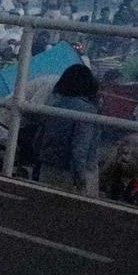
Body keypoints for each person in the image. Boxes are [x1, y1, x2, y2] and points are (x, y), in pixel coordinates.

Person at [36, 64, 101, 193]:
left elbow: (40, 137)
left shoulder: (55, 105)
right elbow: (80, 146)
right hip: (71, 172)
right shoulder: (88, 110)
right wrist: (80, 175)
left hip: (48, 165)